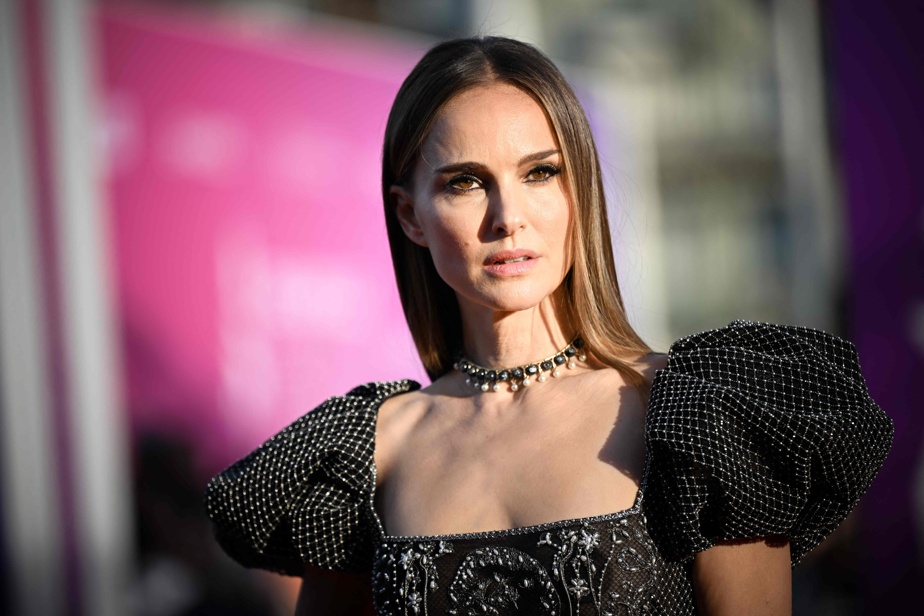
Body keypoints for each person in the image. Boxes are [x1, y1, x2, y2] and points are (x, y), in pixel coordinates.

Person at [206, 37, 892, 615]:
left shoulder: (695, 418)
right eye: (464, 182)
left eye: (540, 173)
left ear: (579, 189)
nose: (509, 216)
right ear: (410, 215)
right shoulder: (366, 454)